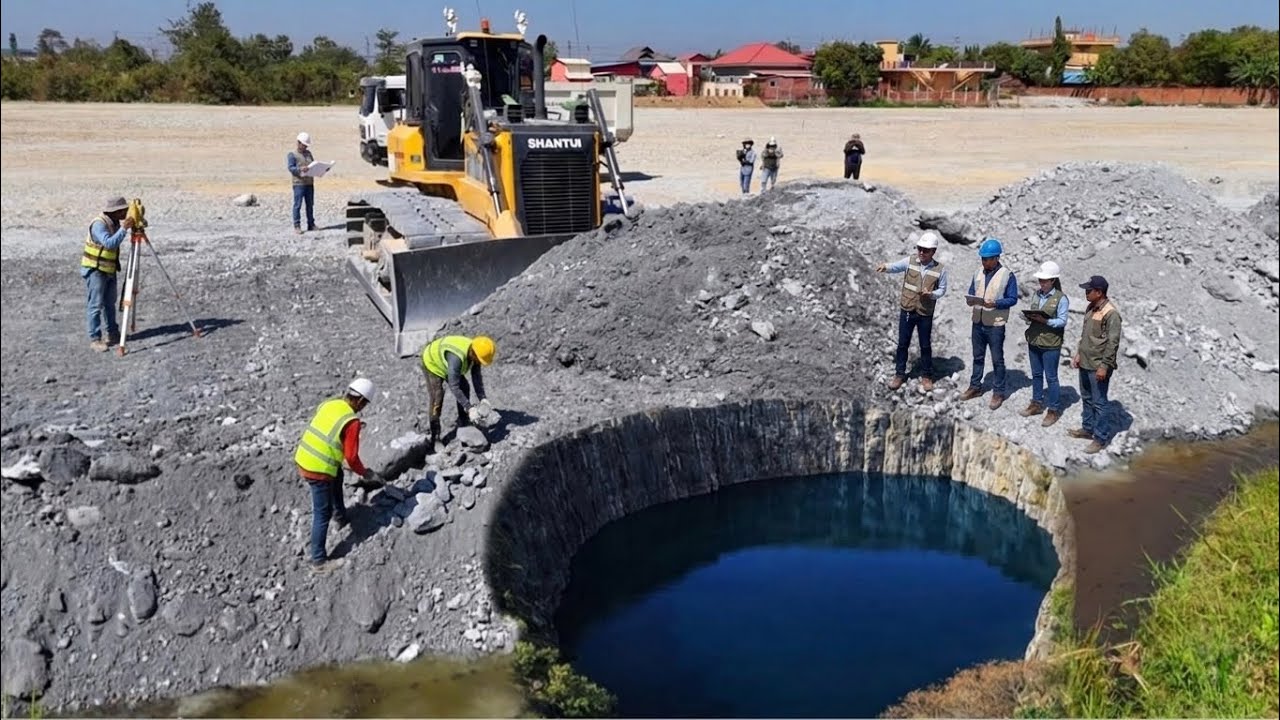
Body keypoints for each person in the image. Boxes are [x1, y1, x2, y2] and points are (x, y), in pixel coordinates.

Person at [293, 378, 382, 574]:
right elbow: (351, 456)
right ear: (360, 401)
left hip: (304, 455)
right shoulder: (351, 421)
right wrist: (365, 472)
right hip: (318, 468)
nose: (362, 409)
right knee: (321, 513)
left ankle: (341, 516)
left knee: (338, 476)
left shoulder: (330, 404)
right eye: (364, 404)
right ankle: (319, 561)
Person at [876, 230, 948, 392]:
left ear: (933, 252)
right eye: (919, 248)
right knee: (903, 343)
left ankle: (927, 376)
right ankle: (899, 374)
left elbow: (942, 290)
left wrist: (932, 294)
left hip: (925, 312)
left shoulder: (940, 270)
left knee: (925, 345)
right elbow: (895, 267)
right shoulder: (909, 261)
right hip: (908, 309)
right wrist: (885, 267)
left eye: (925, 250)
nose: (921, 252)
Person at [960, 237, 1019, 409]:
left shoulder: (1007, 275)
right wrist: (970, 300)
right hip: (977, 322)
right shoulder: (978, 272)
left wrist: (997, 303)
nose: (983, 262)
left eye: (986, 259)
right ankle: (975, 387)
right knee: (977, 357)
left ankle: (998, 392)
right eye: (982, 259)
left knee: (997, 359)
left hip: (995, 325)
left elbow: (1013, 299)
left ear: (996, 258)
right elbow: (972, 291)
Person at [1070, 275, 1122, 454]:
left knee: (1099, 402)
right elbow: (1085, 334)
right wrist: (1078, 354)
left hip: (1098, 365)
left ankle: (1100, 438)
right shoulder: (1091, 308)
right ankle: (1088, 428)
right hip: (1085, 361)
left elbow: (1112, 343)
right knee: (1087, 397)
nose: (1086, 293)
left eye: (1089, 290)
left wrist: (1104, 366)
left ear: (1099, 292)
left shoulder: (1111, 313)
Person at [421, 335, 496, 448]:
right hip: (432, 362)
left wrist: (483, 398)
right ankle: (435, 437)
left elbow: (476, 377)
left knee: (465, 386)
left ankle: (464, 422)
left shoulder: (476, 353)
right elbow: (454, 386)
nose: (478, 363)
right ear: (472, 353)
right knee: (437, 398)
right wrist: (469, 408)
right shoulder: (457, 358)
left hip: (447, 363)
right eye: (478, 360)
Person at [81, 196, 135, 352]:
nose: (126, 213)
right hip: (95, 270)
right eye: (124, 211)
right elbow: (110, 243)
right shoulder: (99, 224)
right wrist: (125, 229)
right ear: (116, 212)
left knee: (109, 304)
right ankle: (95, 338)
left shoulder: (115, 222)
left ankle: (113, 333)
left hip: (109, 269)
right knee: (95, 305)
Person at [1020, 261, 1070, 427]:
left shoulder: (1061, 299)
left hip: (1050, 343)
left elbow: (1062, 321)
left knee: (1051, 377)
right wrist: (1028, 317)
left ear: (1053, 281)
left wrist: (1046, 321)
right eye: (1040, 280)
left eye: (1044, 280)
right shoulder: (1036, 295)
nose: (1041, 283)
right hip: (1034, 340)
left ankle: (1054, 410)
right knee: (1036, 374)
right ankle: (1036, 403)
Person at [286, 131, 317, 234]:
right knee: (297, 205)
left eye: (306, 145)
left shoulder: (309, 154)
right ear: (299, 143)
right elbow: (291, 168)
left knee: (310, 205)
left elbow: (313, 165)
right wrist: (300, 169)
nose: (305, 147)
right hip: (298, 183)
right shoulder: (292, 155)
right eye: (304, 145)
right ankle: (297, 225)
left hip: (309, 183)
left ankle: (311, 224)